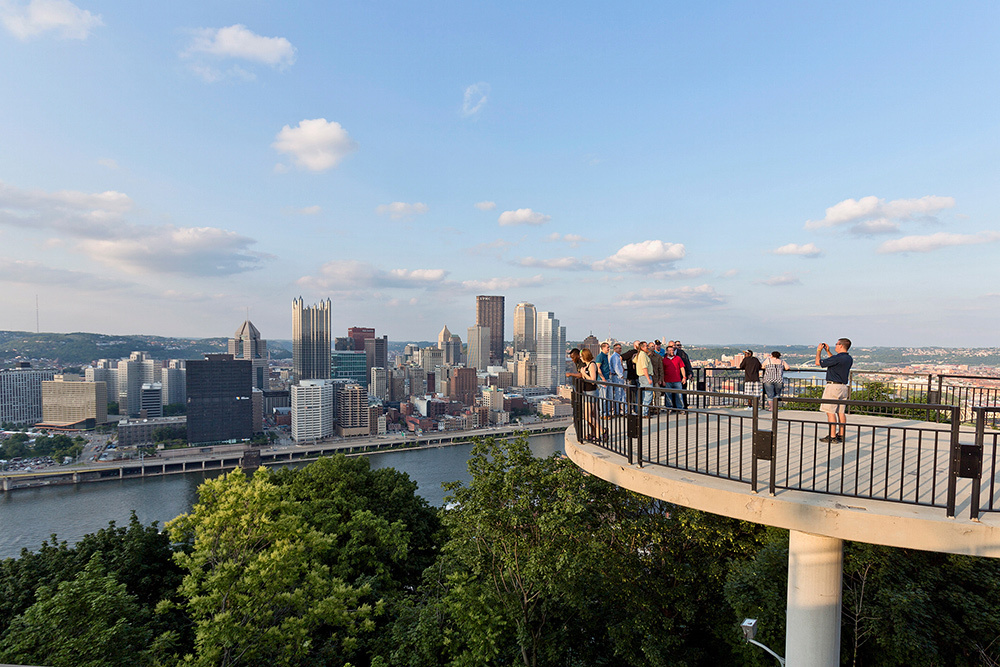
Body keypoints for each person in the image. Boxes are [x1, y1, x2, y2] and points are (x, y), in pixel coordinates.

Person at [816, 338, 853, 443]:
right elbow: (834, 361)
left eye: (836, 344)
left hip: (833, 387)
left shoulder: (837, 358)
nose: (835, 346)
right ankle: (841, 434)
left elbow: (818, 363)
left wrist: (819, 350)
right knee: (841, 412)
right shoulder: (848, 358)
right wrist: (827, 351)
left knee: (830, 411)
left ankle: (832, 436)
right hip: (843, 387)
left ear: (841, 345)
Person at [579, 348, 605, 441]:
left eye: (581, 356)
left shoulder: (592, 365)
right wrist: (583, 372)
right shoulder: (587, 366)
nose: (580, 358)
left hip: (591, 392)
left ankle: (603, 430)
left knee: (587, 416)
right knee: (594, 415)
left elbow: (593, 380)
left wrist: (584, 374)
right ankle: (596, 436)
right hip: (587, 392)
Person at [663, 345, 687, 410]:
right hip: (667, 381)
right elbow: (662, 371)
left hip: (677, 380)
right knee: (668, 396)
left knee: (679, 395)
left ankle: (680, 408)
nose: (672, 352)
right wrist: (663, 380)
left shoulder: (678, 358)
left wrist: (684, 377)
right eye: (670, 350)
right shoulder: (664, 360)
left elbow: (682, 368)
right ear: (667, 351)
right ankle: (669, 408)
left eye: (673, 350)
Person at [635, 341, 655, 416]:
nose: (648, 347)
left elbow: (635, 361)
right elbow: (644, 367)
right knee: (648, 395)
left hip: (642, 377)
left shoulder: (640, 355)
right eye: (646, 346)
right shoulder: (643, 355)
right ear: (642, 347)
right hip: (645, 376)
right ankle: (644, 413)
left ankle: (642, 411)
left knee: (643, 395)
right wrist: (648, 378)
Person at [596, 342, 612, 416]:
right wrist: (603, 379)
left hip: (607, 378)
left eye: (609, 347)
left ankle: (608, 412)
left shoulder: (606, 356)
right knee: (603, 397)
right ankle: (603, 413)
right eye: (607, 347)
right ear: (603, 348)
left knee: (609, 397)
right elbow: (598, 368)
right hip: (602, 380)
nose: (608, 348)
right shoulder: (600, 356)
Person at [610, 342, 626, 414]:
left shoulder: (617, 357)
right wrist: (620, 375)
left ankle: (622, 411)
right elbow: (616, 367)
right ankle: (617, 411)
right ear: (614, 349)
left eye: (620, 348)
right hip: (617, 377)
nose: (620, 350)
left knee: (621, 394)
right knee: (619, 394)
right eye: (618, 348)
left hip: (617, 376)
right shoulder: (615, 357)